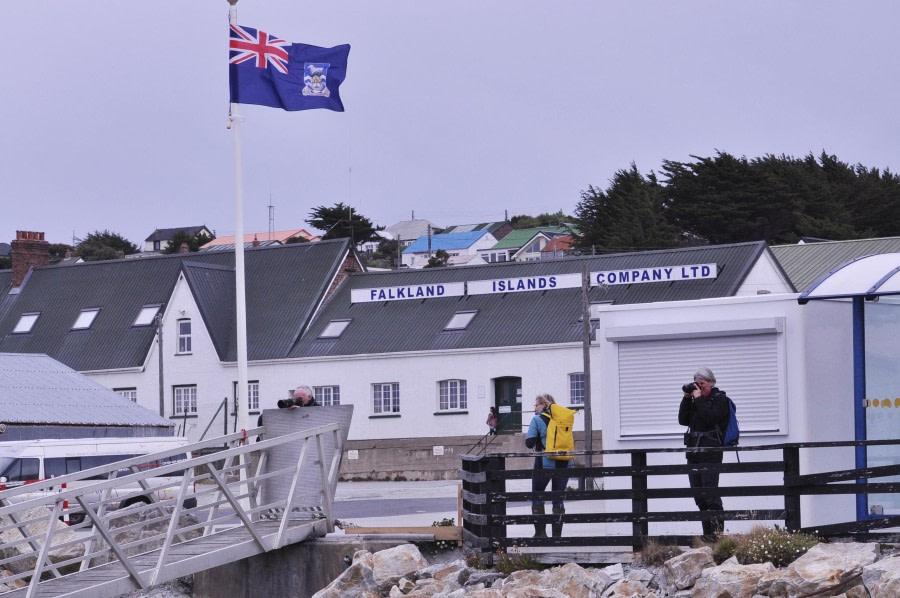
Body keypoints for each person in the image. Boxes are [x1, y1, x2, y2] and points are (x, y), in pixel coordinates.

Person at [678, 367, 730, 541]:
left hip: (711, 451)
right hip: (693, 451)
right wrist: (687, 398)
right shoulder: (695, 400)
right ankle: (707, 534)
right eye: (697, 384)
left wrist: (698, 398)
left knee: (710, 493)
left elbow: (710, 419)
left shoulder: (720, 399)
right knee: (699, 495)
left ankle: (717, 534)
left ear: (711, 382)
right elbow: (682, 420)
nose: (699, 387)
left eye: (702, 384)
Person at [525, 393, 573, 538]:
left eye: (536, 405)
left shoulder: (537, 419)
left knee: (537, 495)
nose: (535, 408)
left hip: (544, 464)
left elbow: (529, 443)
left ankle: (540, 533)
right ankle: (557, 536)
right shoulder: (563, 418)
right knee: (558, 498)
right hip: (565, 463)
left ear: (543, 405)